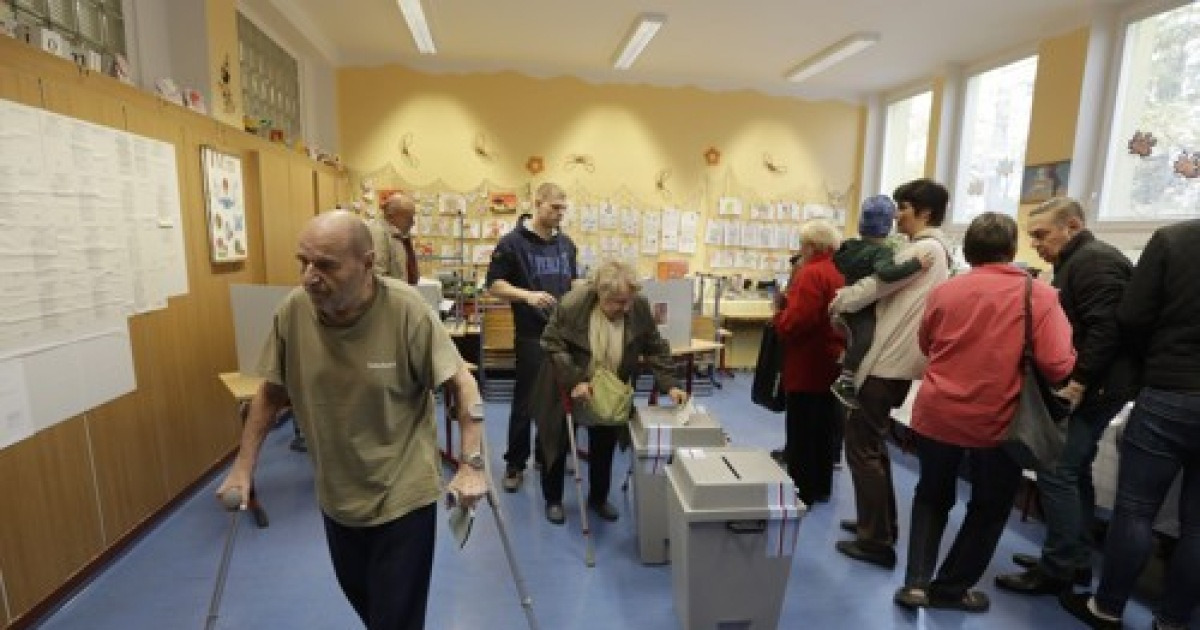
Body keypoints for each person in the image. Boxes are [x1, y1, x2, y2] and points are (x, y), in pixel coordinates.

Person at [216, 210, 487, 630]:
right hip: (339, 497)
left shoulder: (406, 310)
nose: (309, 277)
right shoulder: (294, 311)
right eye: (303, 262)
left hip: (403, 496)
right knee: (368, 606)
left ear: (367, 263)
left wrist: (471, 465)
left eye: (325, 265)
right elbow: (270, 392)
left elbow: (463, 385)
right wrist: (243, 467)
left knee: (394, 620)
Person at [893, 212, 1075, 613]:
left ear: (969, 251)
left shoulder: (945, 292)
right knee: (989, 507)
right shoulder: (1039, 296)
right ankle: (952, 588)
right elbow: (1059, 364)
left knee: (931, 495)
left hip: (938, 411)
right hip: (1000, 420)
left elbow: (926, 344)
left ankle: (916, 584)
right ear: (1012, 250)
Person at [1061, 219, 1200, 630]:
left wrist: (1153, 359)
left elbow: (1133, 314)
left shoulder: (1175, 239)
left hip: (1170, 388)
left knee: (1136, 511)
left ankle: (1107, 609)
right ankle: (1173, 621)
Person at [996, 197, 1137, 596]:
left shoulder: (1094, 261)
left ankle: (1057, 568)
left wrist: (1079, 381)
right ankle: (1072, 558)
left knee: (1056, 469)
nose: (1036, 244)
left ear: (1072, 226)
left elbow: (1107, 329)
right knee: (1073, 471)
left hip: (1095, 387)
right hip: (1095, 384)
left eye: (1041, 235)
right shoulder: (1079, 260)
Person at [829, 178, 953, 569]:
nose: (896, 214)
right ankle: (878, 524)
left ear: (925, 212)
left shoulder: (925, 250)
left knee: (862, 448)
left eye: (903, 207)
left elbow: (870, 289)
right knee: (873, 447)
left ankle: (876, 540)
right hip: (894, 363)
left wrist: (840, 300)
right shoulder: (931, 249)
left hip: (884, 364)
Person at [531, 260, 687, 523]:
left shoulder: (637, 307)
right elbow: (552, 343)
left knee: (605, 441)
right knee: (555, 443)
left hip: (611, 385)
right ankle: (554, 499)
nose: (625, 308)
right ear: (600, 294)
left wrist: (670, 383)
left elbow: (655, 346)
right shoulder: (572, 305)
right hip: (566, 381)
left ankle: (599, 498)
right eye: (617, 302)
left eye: (628, 301)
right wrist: (576, 380)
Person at [485, 182, 580, 492]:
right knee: (525, 401)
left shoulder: (566, 245)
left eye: (563, 209)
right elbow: (494, 285)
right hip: (531, 334)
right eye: (554, 208)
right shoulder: (512, 243)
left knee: (555, 401)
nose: (559, 214)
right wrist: (526, 296)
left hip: (563, 334)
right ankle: (515, 463)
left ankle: (546, 455)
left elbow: (573, 281)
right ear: (537, 203)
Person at [830, 195, 934, 409]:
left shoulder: (849, 246)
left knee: (855, 340)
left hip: (848, 304)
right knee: (865, 339)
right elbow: (886, 274)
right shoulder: (882, 252)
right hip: (863, 308)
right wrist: (915, 265)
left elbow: (837, 262)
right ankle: (845, 379)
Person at [772, 219, 845, 505]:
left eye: (802, 244)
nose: (799, 249)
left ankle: (803, 490)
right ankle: (821, 486)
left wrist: (779, 315)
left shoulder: (810, 273)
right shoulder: (837, 271)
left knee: (802, 430)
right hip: (829, 360)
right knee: (824, 428)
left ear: (812, 246)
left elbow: (797, 321)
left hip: (807, 362)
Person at [367, 192, 420, 284]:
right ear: (391, 215)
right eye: (409, 217)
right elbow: (377, 276)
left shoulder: (398, 235)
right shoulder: (378, 233)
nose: (413, 222)